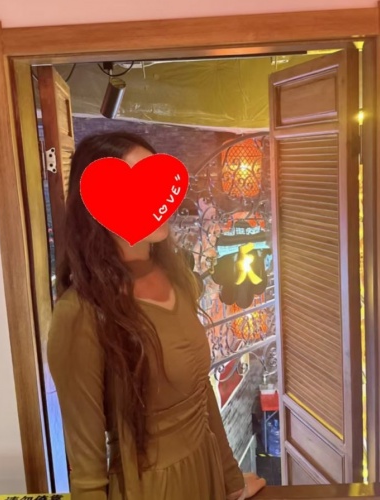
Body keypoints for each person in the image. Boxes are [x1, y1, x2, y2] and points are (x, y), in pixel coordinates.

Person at [47, 132, 266, 500]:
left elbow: (201, 394)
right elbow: (87, 473)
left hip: (205, 471)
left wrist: (230, 480)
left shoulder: (175, 276)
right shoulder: (80, 313)